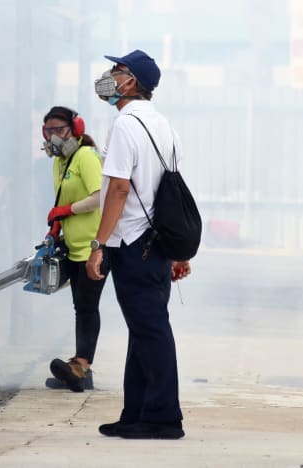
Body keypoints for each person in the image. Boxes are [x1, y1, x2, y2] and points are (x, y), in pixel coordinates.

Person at [85, 50, 192, 439]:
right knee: (142, 330)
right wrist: (177, 251)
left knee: (151, 330)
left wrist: (98, 243)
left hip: (133, 242)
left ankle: (164, 418)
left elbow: (117, 188)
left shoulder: (126, 126)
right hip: (156, 243)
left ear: (132, 82)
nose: (109, 76)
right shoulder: (164, 125)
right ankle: (137, 413)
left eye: (116, 71)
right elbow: (171, 191)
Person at [41, 106, 107, 393]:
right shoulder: (59, 162)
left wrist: (67, 209)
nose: (54, 137)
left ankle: (81, 366)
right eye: (49, 131)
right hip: (73, 245)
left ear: (75, 129)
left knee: (87, 306)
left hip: (94, 247)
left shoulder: (86, 157)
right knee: (79, 305)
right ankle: (81, 368)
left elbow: (99, 197)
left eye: (59, 130)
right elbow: (62, 201)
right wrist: (57, 223)